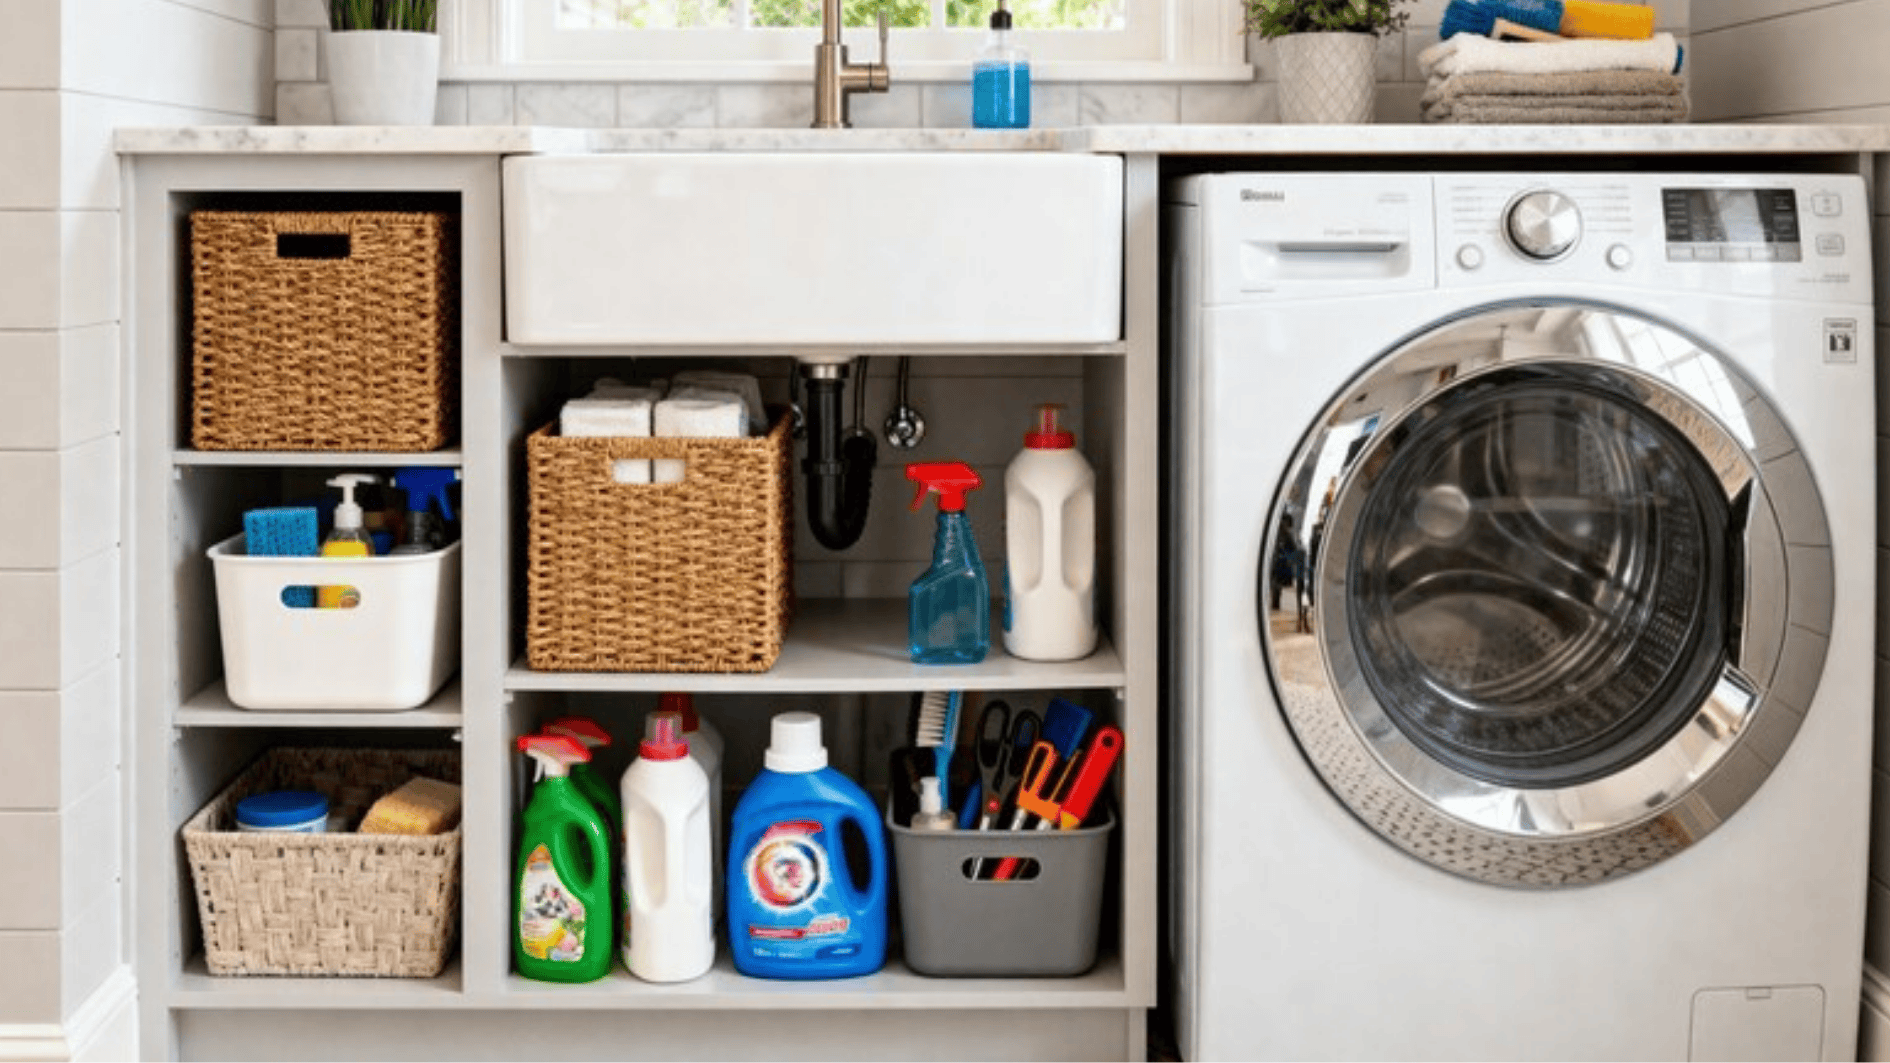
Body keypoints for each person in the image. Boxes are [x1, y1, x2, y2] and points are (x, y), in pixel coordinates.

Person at [1270, 514, 1302, 612]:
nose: (1286, 526)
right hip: (1278, 564)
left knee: (1276, 585)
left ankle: (1275, 605)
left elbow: (1293, 549)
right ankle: (1275, 605)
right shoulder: (1282, 534)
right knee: (1276, 585)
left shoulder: (1284, 535)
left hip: (1280, 564)